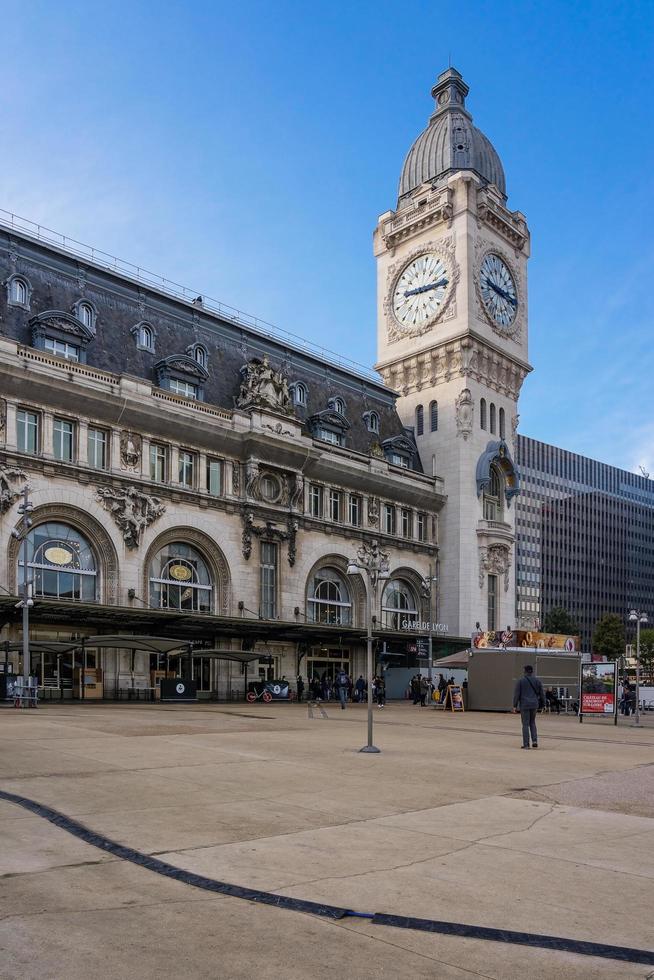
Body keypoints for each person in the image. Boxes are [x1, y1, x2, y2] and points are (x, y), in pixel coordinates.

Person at [513, 664, 545, 749]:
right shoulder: (537, 681)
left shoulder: (520, 681)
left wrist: (514, 705)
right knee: (532, 722)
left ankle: (526, 744)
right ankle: (535, 741)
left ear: (525, 671)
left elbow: (517, 694)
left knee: (525, 724)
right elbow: (542, 694)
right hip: (534, 704)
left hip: (524, 705)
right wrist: (543, 704)